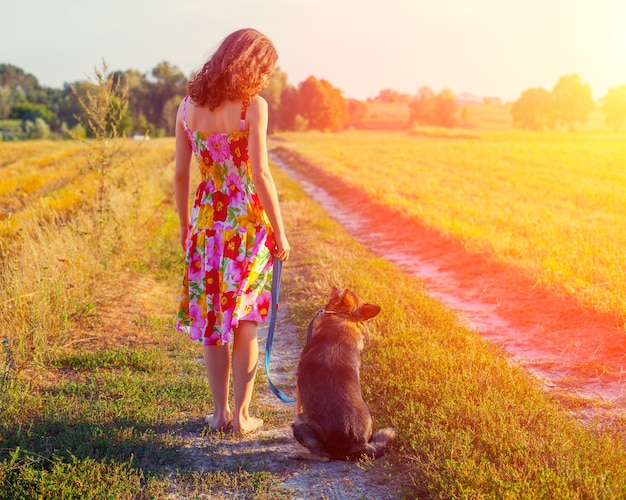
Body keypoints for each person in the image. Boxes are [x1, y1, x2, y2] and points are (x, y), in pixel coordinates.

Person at [174, 28, 290, 434]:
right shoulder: (251, 108)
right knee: (245, 321)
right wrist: (280, 232)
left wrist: (187, 227)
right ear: (253, 65)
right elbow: (260, 174)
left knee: (212, 322)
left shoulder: (187, 107)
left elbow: (180, 175)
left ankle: (219, 413)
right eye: (267, 70)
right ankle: (242, 417)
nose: (267, 79)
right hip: (246, 227)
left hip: (206, 228)